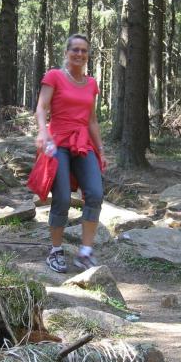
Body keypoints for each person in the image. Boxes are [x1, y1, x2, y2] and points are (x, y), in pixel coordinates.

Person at [34, 33, 105, 273]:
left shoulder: (91, 84)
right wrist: (43, 132)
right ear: (66, 52)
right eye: (75, 49)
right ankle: (55, 251)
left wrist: (101, 149)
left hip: (83, 143)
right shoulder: (54, 76)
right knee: (62, 197)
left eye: (84, 50)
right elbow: (41, 107)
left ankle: (85, 252)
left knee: (95, 193)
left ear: (88, 55)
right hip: (57, 142)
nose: (79, 54)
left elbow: (92, 120)